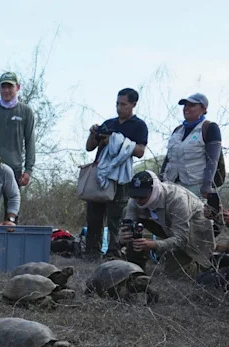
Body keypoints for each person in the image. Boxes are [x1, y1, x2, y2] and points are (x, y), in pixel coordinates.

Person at [83, 88, 148, 258]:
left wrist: (116, 141)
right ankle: (92, 250)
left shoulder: (139, 125)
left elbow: (140, 150)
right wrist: (94, 134)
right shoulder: (109, 123)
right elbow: (90, 147)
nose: (119, 108)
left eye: (123, 104)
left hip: (120, 176)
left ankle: (114, 250)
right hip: (101, 173)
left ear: (133, 104)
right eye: (117, 104)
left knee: (116, 215)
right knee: (94, 214)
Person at [121, 171, 214, 275]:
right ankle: (136, 263)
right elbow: (126, 228)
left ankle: (204, 263)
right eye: (135, 196)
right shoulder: (135, 201)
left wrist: (154, 245)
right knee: (129, 222)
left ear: (154, 189)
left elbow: (181, 239)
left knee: (175, 272)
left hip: (195, 233)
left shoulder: (178, 200)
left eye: (142, 196)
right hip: (168, 227)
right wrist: (124, 237)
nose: (138, 200)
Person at [160, 93, 222, 216]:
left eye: (192, 105)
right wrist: (160, 180)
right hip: (171, 185)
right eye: (185, 105)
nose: (186, 108)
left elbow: (213, 160)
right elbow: (168, 158)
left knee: (195, 223)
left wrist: (207, 185)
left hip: (195, 187)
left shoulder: (209, 127)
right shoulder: (178, 130)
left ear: (203, 109)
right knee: (172, 222)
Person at [0, 72, 35, 187]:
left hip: (15, 169)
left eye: (10, 86)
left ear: (17, 87)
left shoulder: (26, 111)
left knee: (13, 204)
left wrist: (28, 170)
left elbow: (30, 142)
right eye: (3, 87)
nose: (6, 90)